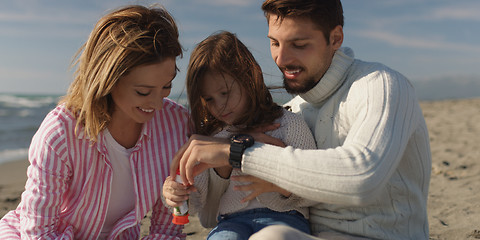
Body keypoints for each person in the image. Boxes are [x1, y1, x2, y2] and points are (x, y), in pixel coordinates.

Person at [171, 0, 432, 239]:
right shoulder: (292, 109)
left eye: (299, 44)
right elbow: (209, 212)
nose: (281, 59)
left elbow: (362, 177)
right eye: (274, 42)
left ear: (336, 38)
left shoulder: (381, 85)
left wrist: (237, 151)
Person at [0, 5, 189, 239]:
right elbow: (38, 232)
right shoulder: (60, 133)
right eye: (143, 91)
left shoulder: (175, 123)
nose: (158, 104)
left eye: (166, 87)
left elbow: (168, 229)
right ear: (108, 80)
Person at [162, 31, 317, 240]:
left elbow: (314, 186)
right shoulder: (213, 138)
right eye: (209, 99)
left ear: (248, 77)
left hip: (285, 216)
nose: (219, 106)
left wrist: (277, 185)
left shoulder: (289, 124)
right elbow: (197, 200)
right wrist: (173, 191)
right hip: (230, 221)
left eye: (225, 93)